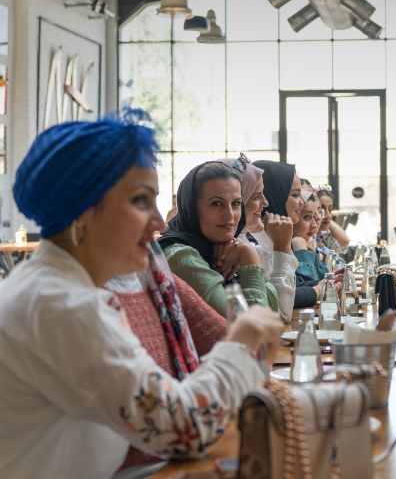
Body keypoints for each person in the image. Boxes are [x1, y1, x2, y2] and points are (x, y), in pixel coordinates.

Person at [0, 111, 283, 478]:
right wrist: (241, 344)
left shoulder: (59, 289)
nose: (159, 223)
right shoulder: (63, 306)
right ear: (82, 212)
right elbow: (180, 427)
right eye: (139, 201)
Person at [106, 242, 227, 469]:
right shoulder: (74, 302)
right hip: (141, 468)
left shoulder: (152, 272)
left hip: (170, 458)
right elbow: (176, 426)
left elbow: (225, 335)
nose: (161, 226)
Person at [159, 161, 279, 316]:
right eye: (216, 203)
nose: (229, 215)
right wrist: (250, 258)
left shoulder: (223, 248)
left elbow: (275, 309)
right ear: (192, 207)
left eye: (236, 203)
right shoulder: (181, 256)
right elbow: (257, 325)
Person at [219, 157, 296, 324]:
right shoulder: (230, 248)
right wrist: (282, 247)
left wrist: (263, 233)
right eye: (256, 196)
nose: (266, 202)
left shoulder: (241, 243)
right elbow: (280, 315)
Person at [252, 160, 321, 310]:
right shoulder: (252, 242)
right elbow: (281, 307)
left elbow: (292, 285)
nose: (303, 202)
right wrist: (317, 290)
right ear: (275, 195)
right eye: (295, 195)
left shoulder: (271, 236)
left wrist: (324, 284)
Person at [292, 189, 328, 285]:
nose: (314, 225)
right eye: (307, 217)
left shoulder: (309, 245)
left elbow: (326, 282)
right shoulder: (279, 252)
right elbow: (311, 286)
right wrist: (300, 247)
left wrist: (315, 254)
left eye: (314, 217)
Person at [317, 185, 350, 252]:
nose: (328, 215)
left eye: (330, 209)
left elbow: (345, 241)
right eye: (321, 210)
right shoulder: (308, 239)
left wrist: (327, 220)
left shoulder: (324, 235)